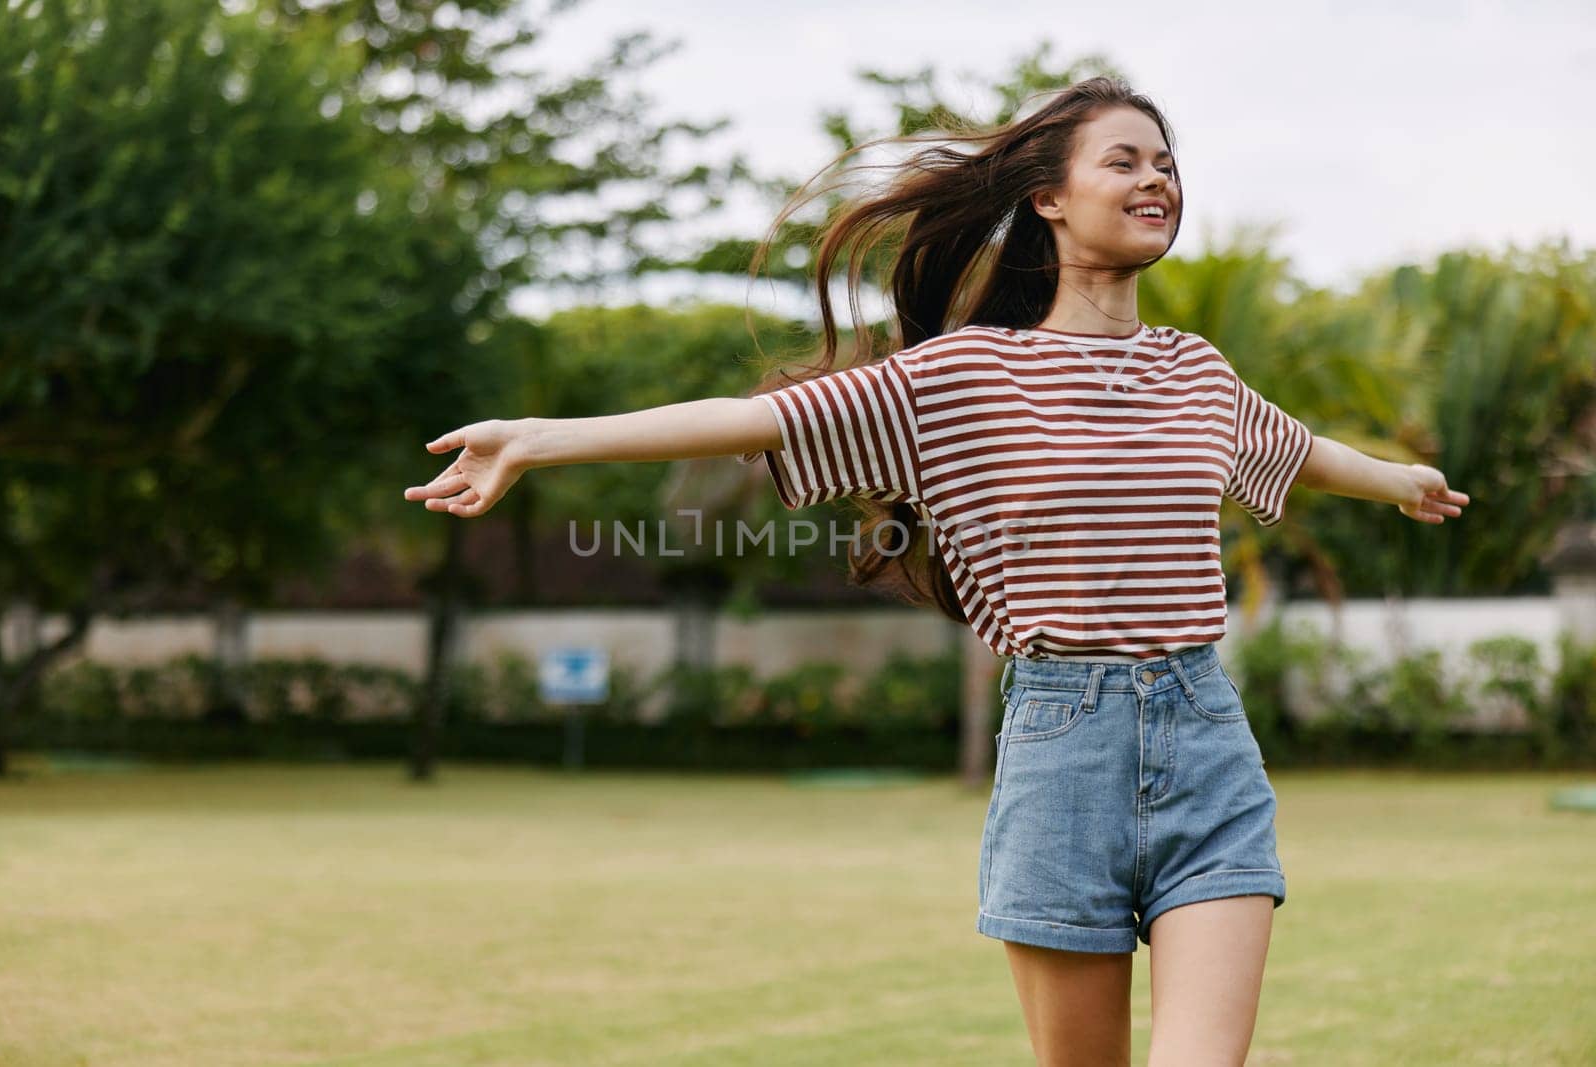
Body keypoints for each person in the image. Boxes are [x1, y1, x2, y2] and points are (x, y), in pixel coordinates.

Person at [403, 76, 1469, 1067]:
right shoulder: (961, 377)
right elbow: (759, 418)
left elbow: (1295, 451)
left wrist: (1397, 478)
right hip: (1063, 751)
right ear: (1048, 197)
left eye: (1167, 164)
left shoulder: (1194, 368)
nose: (1157, 181)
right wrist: (542, 435)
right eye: (1126, 161)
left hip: (1206, 740)